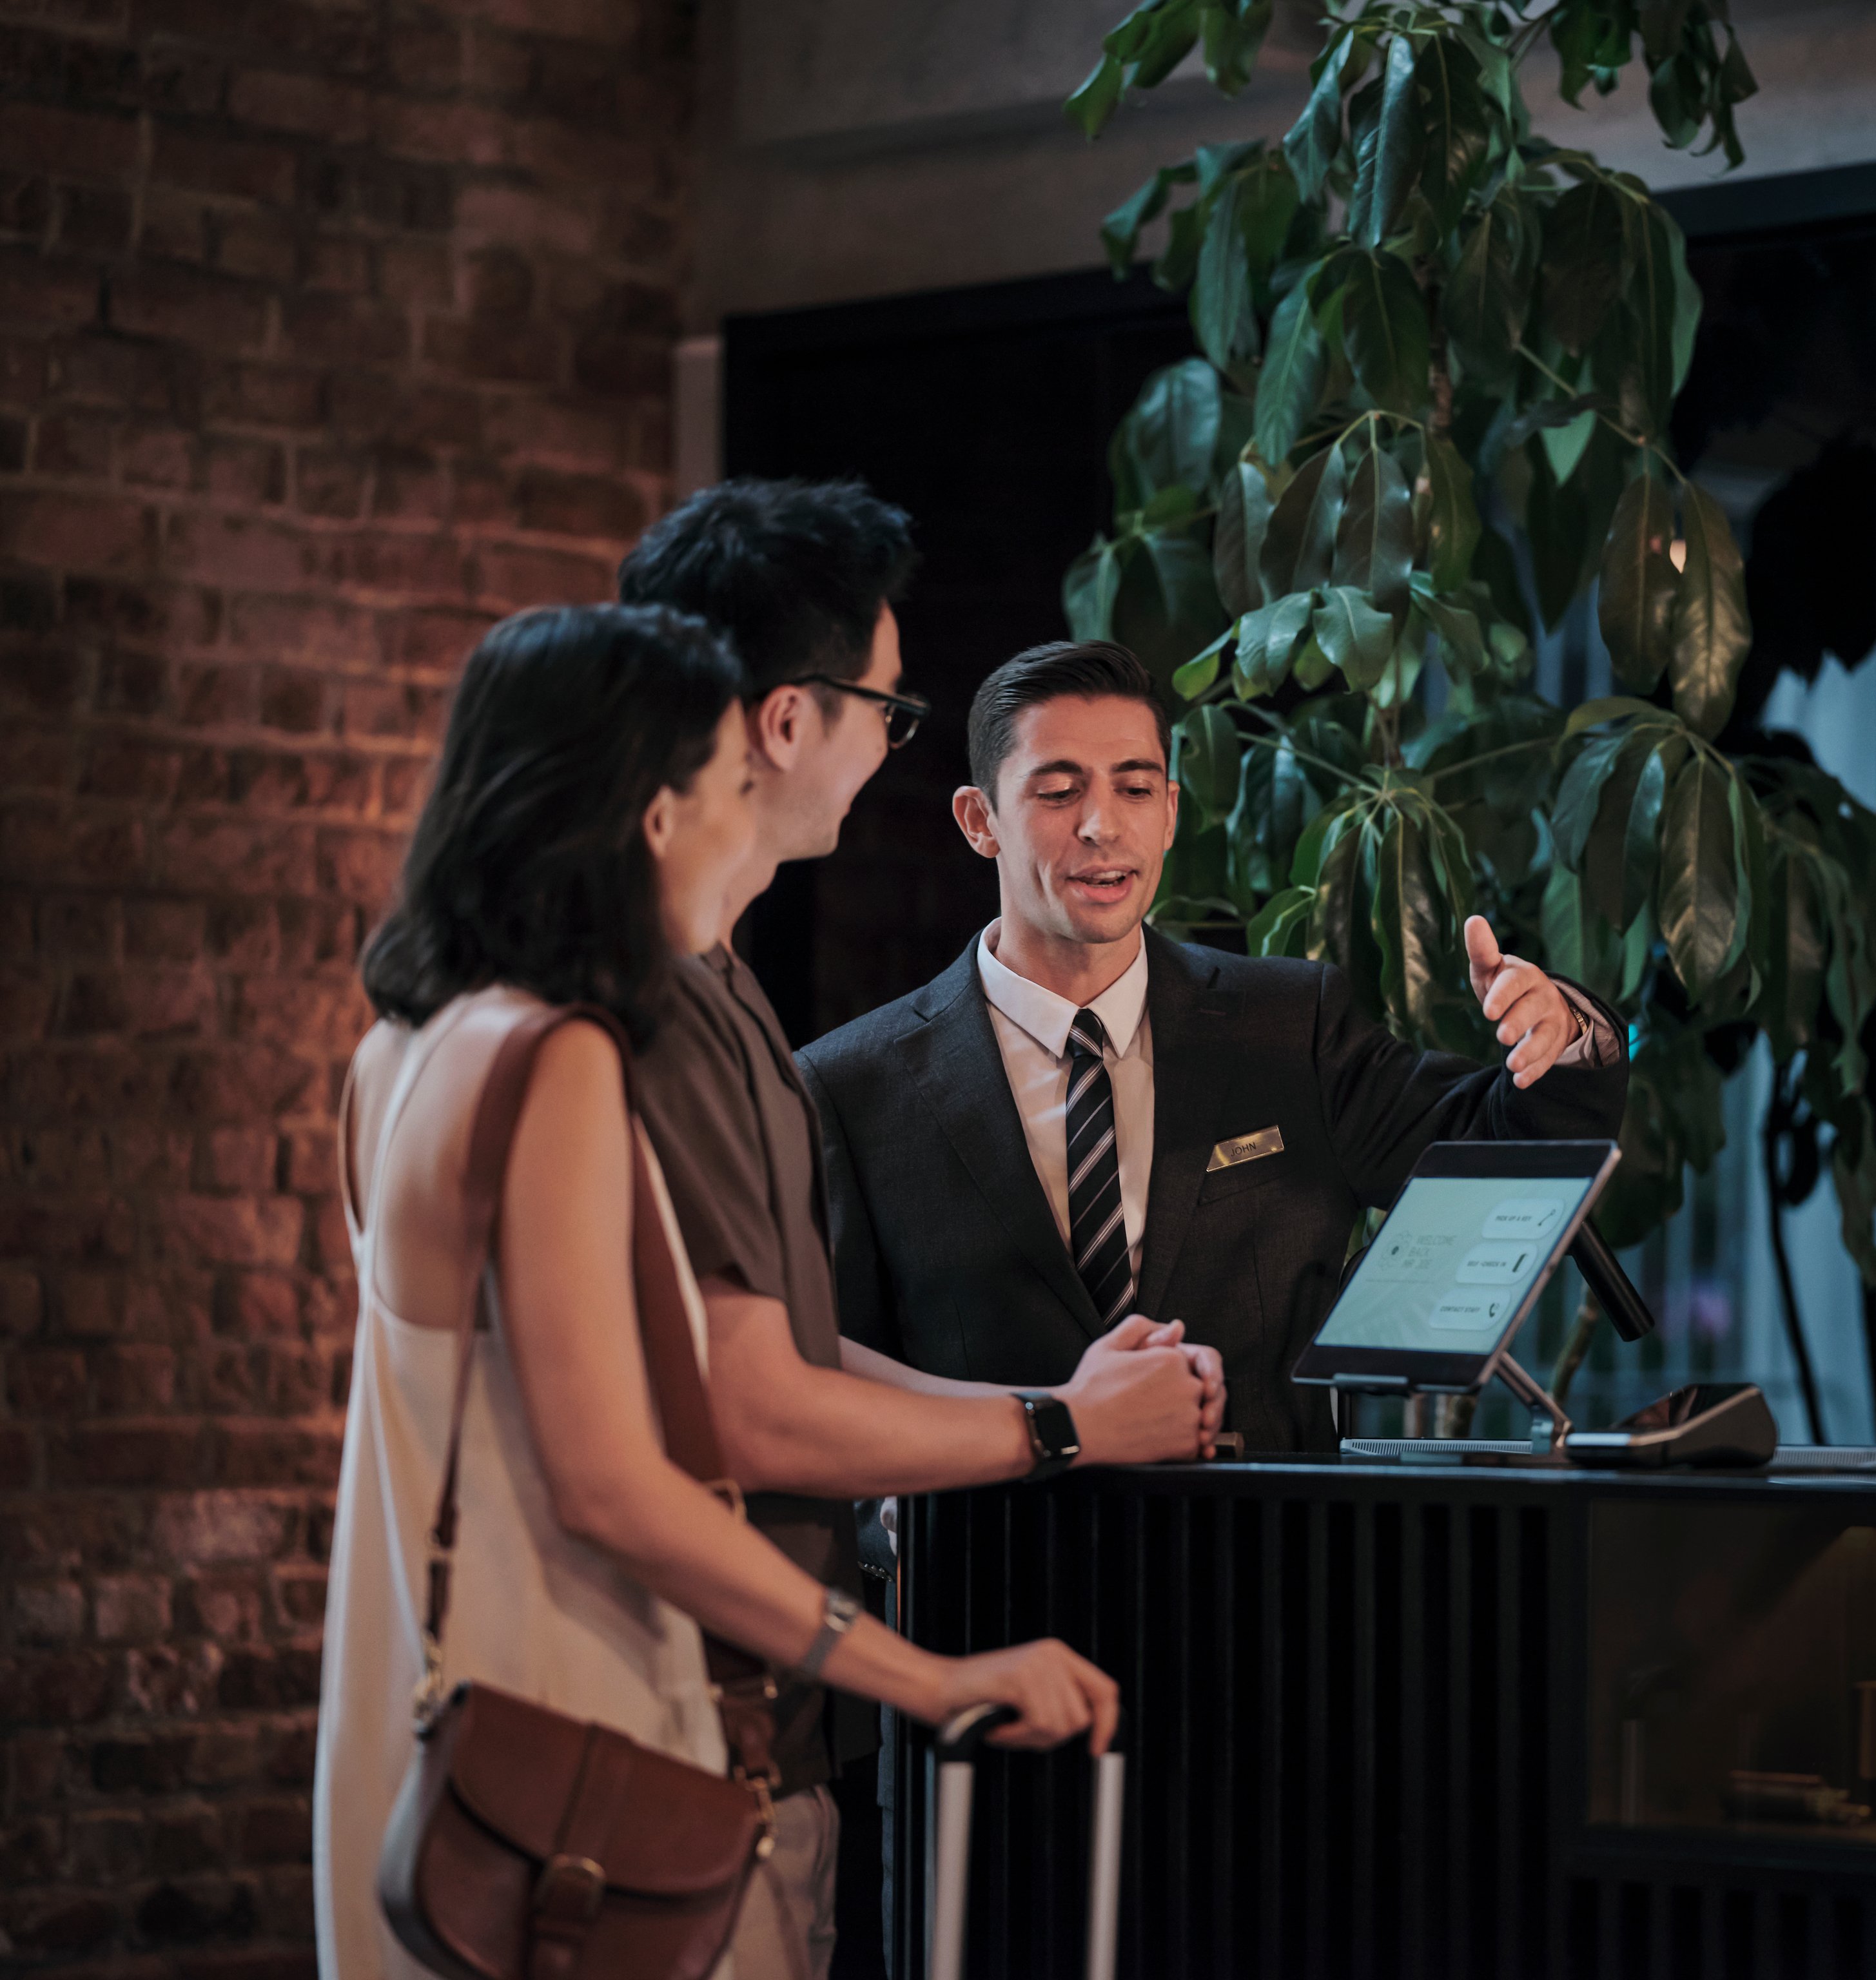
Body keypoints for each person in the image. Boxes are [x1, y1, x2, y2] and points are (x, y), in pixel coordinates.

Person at [313, 604, 1117, 1979]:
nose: (750, 826)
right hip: (582, 1756)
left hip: (426, 1728)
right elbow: (617, 1487)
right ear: (647, 810)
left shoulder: (402, 1047)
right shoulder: (554, 1058)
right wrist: (930, 1679)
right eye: (728, 785)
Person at [614, 481, 1220, 1979]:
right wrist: (1058, 1441)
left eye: (1138, 784)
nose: (889, 742)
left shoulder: (723, 988)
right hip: (678, 1737)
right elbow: (746, 1410)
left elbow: (793, 1353)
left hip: (764, 1739)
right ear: (785, 723)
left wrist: (1065, 1412)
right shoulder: (655, 1012)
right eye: (885, 709)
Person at [797, 640, 1630, 1453]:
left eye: (1134, 789)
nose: (1101, 826)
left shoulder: (1288, 1025)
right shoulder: (850, 1089)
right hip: (994, 1575)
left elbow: (1508, 1158)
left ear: (1169, 814)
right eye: (1058, 792)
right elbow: (832, 1392)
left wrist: (1561, 1038)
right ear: (980, 822)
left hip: (1264, 1568)